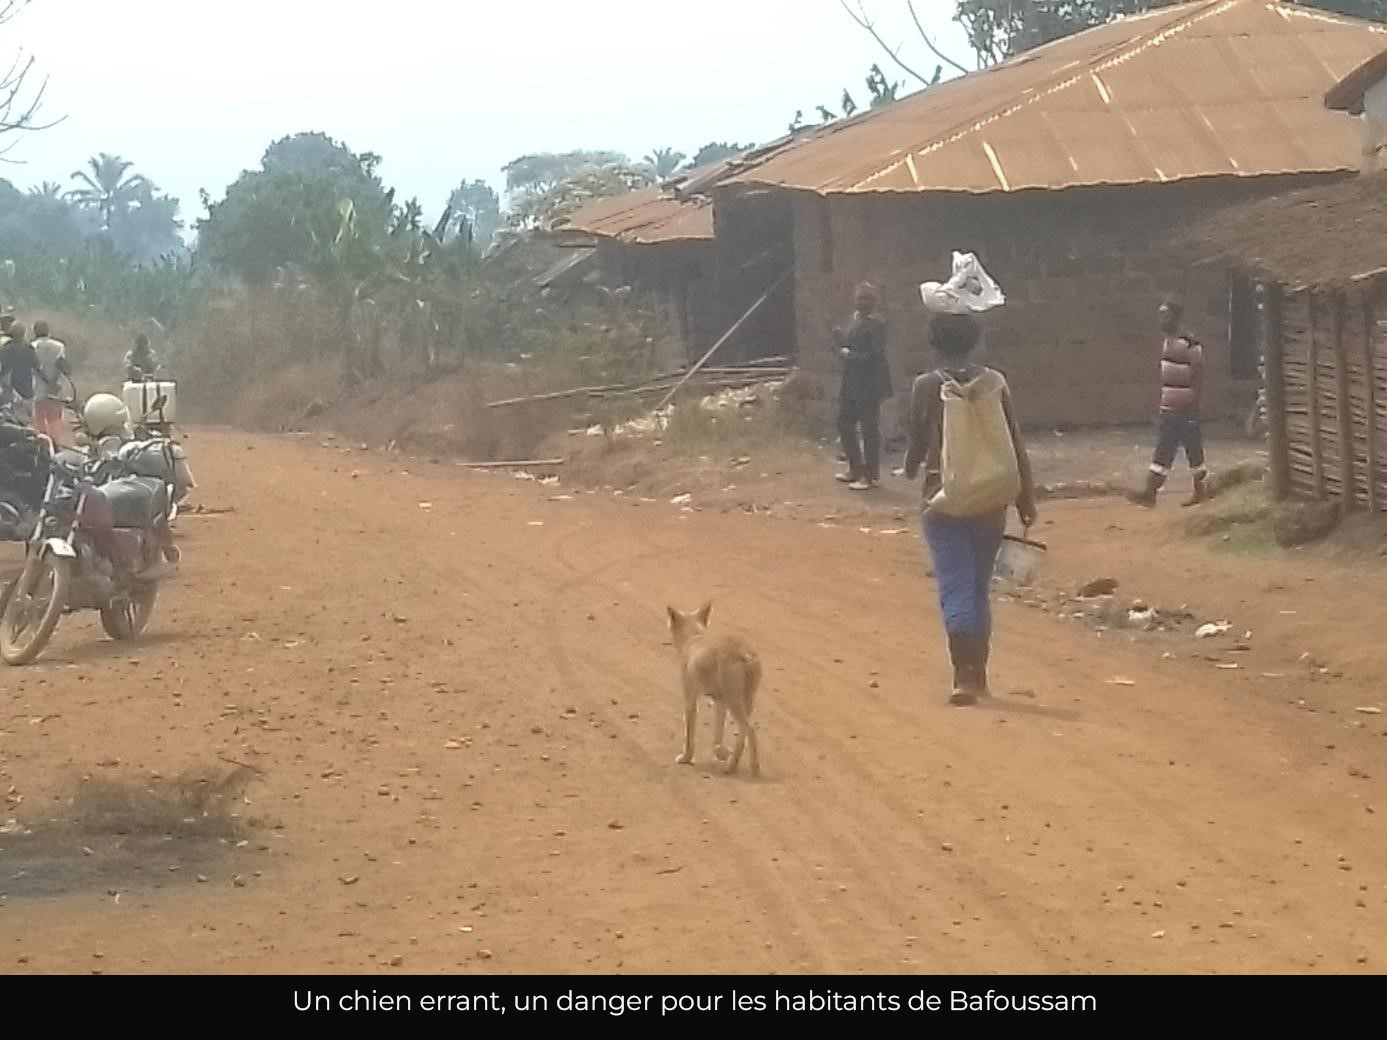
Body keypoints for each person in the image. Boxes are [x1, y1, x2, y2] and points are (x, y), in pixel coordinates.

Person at [903, 312, 1037, 707]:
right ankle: (978, 674)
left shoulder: (926, 386)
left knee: (955, 584)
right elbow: (1014, 442)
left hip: (941, 500)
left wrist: (911, 466)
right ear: (975, 340)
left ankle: (962, 675)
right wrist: (1025, 497)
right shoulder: (995, 382)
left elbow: (916, 438)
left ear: (933, 343)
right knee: (979, 587)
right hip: (991, 500)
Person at [1129, 300, 1208, 507]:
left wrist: (1194, 404)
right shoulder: (1167, 341)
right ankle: (1150, 493)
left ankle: (1199, 490)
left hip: (1185, 408)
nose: (1161, 320)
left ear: (1176, 317)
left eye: (1166, 315)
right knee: (1164, 450)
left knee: (1193, 450)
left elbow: (1198, 374)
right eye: (1160, 315)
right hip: (1169, 407)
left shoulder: (1189, 343)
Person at [834, 282, 892, 490]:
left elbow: (874, 356)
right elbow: (849, 344)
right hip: (851, 381)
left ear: (874, 302)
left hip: (870, 383)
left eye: (866, 299)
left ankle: (871, 475)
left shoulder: (877, 324)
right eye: (859, 298)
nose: (862, 302)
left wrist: (850, 355)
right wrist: (839, 341)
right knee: (844, 423)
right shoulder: (853, 320)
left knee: (869, 429)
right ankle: (855, 468)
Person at [31, 320, 71, 443]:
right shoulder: (59, 346)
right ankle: (57, 445)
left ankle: (44, 446)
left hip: (38, 389)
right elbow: (61, 366)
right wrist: (52, 382)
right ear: (48, 331)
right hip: (55, 390)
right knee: (55, 421)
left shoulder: (32, 347)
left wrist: (45, 381)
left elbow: (35, 367)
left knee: (40, 422)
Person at [0, 322, 39, 427]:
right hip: (26, 390)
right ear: (24, 333)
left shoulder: (5, 349)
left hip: (8, 391)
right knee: (27, 421)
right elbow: (37, 366)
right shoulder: (29, 348)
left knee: (8, 419)